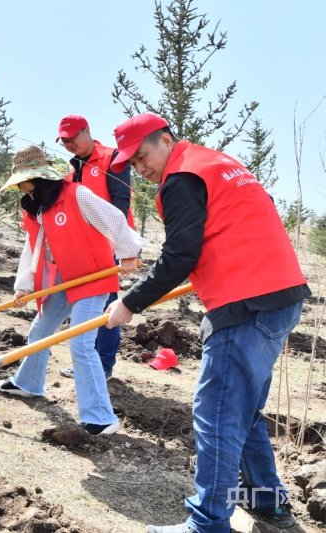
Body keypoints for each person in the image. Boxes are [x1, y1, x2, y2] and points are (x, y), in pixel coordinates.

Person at [104, 113, 310, 533]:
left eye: (142, 156)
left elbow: (180, 255)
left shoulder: (180, 178)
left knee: (216, 412)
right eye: (132, 163)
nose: (140, 169)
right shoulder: (217, 163)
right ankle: (268, 502)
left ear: (165, 139)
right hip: (282, 296)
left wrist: (130, 302)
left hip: (245, 304)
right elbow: (253, 217)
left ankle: (207, 523)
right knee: (244, 407)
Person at [0, 145, 142, 436]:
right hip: (63, 279)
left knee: (81, 344)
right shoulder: (38, 207)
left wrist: (128, 253)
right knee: (40, 330)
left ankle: (100, 416)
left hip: (93, 278)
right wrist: (24, 284)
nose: (21, 188)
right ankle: (29, 383)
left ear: (40, 178)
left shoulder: (77, 194)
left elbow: (114, 219)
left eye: (24, 181)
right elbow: (34, 246)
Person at [55, 114, 132, 381]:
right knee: (85, 304)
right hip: (81, 247)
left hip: (108, 245)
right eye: (64, 141)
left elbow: (121, 204)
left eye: (72, 138)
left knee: (108, 304)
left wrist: (117, 245)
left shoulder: (113, 158)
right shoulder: (71, 167)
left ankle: (103, 364)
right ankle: (86, 361)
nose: (69, 144)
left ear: (86, 131)